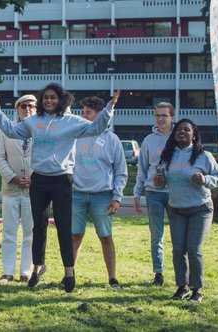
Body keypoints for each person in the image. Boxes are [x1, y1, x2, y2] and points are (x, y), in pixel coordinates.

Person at [0, 83, 120, 293]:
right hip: (39, 180)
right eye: (45, 98)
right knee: (38, 227)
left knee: (64, 227)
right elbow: (12, 132)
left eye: (53, 97)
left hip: (62, 180)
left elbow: (96, 128)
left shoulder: (72, 121)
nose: (49, 101)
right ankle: (35, 269)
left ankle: (69, 271)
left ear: (61, 100)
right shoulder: (34, 121)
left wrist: (109, 109)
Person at [154, 119, 218, 304]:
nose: (181, 132)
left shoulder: (203, 155)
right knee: (178, 250)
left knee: (194, 249)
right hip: (176, 208)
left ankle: (197, 289)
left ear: (194, 134)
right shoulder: (167, 155)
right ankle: (182, 287)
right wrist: (159, 182)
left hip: (200, 209)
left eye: (186, 129)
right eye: (178, 129)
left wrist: (205, 179)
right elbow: (160, 182)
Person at [71, 96, 127, 290]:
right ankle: (69, 275)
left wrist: (116, 197)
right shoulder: (75, 136)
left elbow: (121, 170)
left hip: (102, 196)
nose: (83, 115)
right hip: (77, 195)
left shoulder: (111, 139)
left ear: (99, 115)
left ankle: (112, 278)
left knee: (105, 236)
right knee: (75, 235)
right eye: (82, 111)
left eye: (88, 112)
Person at [0, 94, 44, 285]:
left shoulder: (41, 129)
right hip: (11, 188)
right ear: (17, 109)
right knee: (9, 232)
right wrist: (13, 177)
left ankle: (26, 271)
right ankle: (7, 272)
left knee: (30, 232)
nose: (27, 109)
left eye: (32, 106)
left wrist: (35, 177)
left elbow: (46, 156)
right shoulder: (6, 129)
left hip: (34, 189)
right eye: (23, 106)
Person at [133, 102, 175, 286]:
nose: (160, 119)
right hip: (154, 192)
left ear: (172, 117)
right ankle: (159, 272)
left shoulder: (180, 136)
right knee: (156, 234)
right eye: (157, 115)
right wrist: (136, 193)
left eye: (164, 115)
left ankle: (183, 272)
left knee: (179, 234)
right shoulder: (149, 140)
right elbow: (141, 169)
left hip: (176, 191)